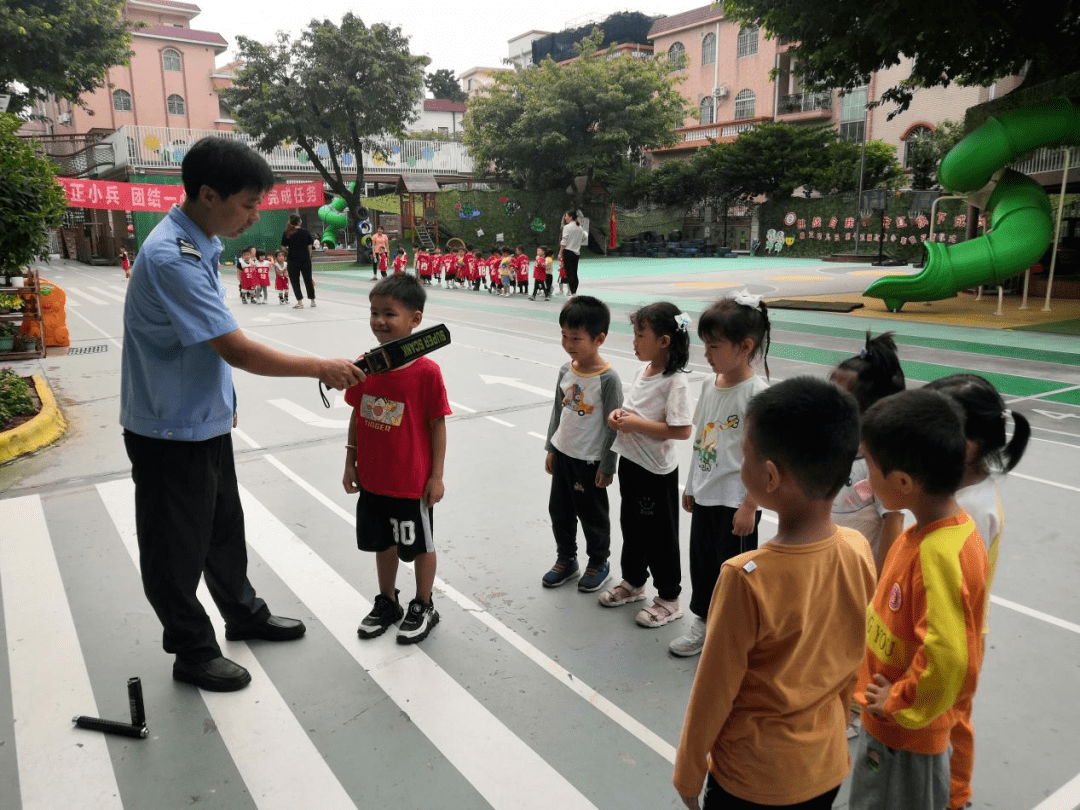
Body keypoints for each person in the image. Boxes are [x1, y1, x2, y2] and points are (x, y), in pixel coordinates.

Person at [121, 136, 366, 692]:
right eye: (249, 205)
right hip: (166, 427)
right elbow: (236, 349)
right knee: (175, 547)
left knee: (222, 529)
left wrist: (221, 404)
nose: (255, 216)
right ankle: (191, 650)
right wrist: (320, 367)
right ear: (208, 194)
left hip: (199, 418)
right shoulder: (171, 257)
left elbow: (202, 344)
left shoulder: (200, 239)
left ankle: (243, 614)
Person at [674, 377, 877, 810]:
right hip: (826, 766)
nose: (740, 463)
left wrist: (689, 771)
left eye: (743, 455)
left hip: (752, 779)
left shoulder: (745, 578)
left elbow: (714, 690)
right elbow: (852, 660)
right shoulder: (858, 551)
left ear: (768, 476)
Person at [849, 389, 990, 810]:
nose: (863, 480)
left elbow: (948, 657)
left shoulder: (937, 555)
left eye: (870, 469)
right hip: (893, 725)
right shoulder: (934, 534)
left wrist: (899, 702)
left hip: (905, 738)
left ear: (904, 482)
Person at [923, 374, 1030, 810]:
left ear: (971, 444)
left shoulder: (972, 508)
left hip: (955, 632)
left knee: (952, 717)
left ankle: (955, 796)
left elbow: (954, 587)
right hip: (936, 622)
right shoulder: (957, 491)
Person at [344, 274, 451, 644]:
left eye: (389, 313)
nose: (378, 321)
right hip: (373, 480)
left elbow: (437, 426)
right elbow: (357, 414)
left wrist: (436, 477)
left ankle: (424, 604)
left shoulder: (426, 373)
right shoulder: (364, 366)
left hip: (411, 482)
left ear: (416, 320)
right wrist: (350, 461)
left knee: (421, 545)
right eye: (373, 312)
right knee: (382, 543)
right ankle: (387, 601)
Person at [669, 291, 771, 658]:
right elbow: (703, 439)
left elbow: (763, 456)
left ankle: (737, 631)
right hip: (708, 494)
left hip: (736, 502)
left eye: (714, 347)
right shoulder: (709, 384)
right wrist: (692, 485)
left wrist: (750, 505)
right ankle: (702, 620)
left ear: (745, 347)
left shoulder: (757, 394)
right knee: (702, 562)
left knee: (737, 571)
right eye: (705, 346)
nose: (706, 355)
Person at [600, 303, 693, 628]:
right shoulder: (644, 371)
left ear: (664, 341)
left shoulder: (674, 381)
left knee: (660, 535)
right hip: (632, 463)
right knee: (632, 526)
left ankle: (669, 598)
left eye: (641, 335)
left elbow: (682, 430)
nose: (635, 342)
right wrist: (618, 415)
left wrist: (635, 424)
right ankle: (634, 582)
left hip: (656, 472)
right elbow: (633, 410)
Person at [542, 295, 623, 592]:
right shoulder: (566, 370)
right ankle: (566, 559)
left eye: (576, 338)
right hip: (563, 454)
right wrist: (551, 447)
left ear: (599, 338)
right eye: (564, 335)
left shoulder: (608, 379)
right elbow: (557, 411)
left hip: (589, 462)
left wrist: (607, 465)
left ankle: (598, 562)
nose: (568, 343)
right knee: (559, 511)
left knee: (592, 515)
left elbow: (614, 427)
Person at [830, 331, 906, 573]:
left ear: (869, 410)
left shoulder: (882, 463)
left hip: (861, 580)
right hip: (829, 571)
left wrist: (881, 585)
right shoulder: (833, 448)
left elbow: (893, 524)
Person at [281, 213, 316, 309]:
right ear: (299, 221)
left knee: (295, 281)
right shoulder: (306, 232)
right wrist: (309, 257)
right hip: (305, 259)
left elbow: (283, 247)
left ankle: (300, 302)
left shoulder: (287, 233)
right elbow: (310, 247)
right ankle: (312, 301)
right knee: (308, 279)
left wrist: (288, 253)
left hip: (292, 259)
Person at [559, 210, 584, 295]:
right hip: (576, 253)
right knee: (574, 273)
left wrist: (560, 252)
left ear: (570, 217)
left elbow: (564, 241)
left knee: (569, 274)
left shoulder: (567, 227)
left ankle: (573, 293)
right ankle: (574, 292)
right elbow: (584, 237)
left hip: (568, 252)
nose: (565, 218)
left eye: (566, 216)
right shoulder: (579, 227)